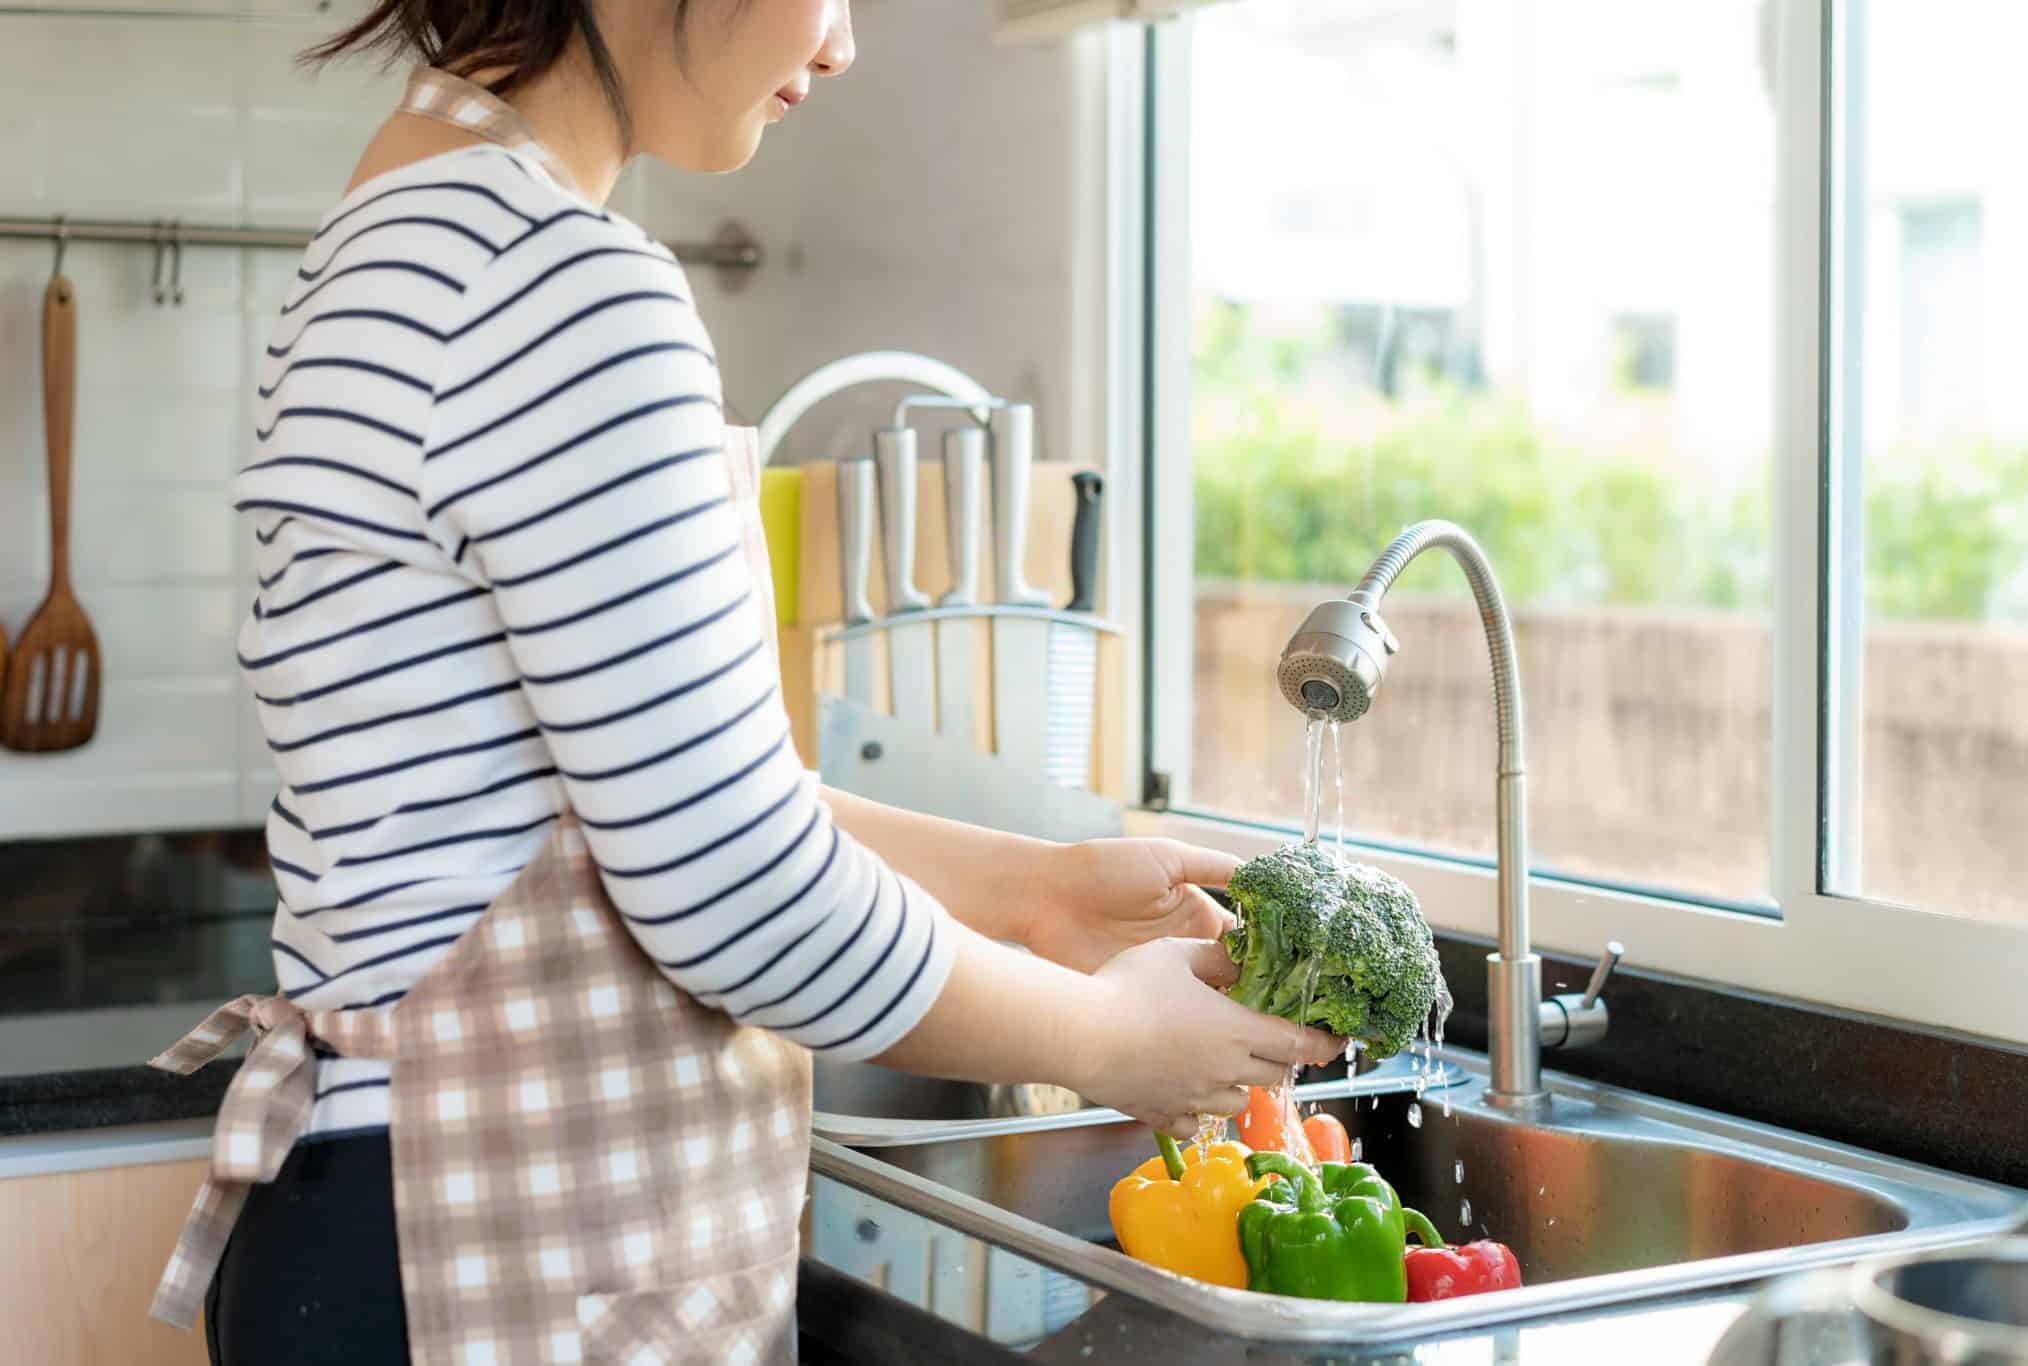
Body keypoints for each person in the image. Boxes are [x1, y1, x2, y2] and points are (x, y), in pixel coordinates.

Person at [144, 2, 1343, 1362]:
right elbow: (738, 889)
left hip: (390, 1230)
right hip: (488, 1253)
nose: (840, 45)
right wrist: (1113, 1034)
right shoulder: (559, 282)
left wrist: (1043, 891)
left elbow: (663, 801)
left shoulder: (407, 224)